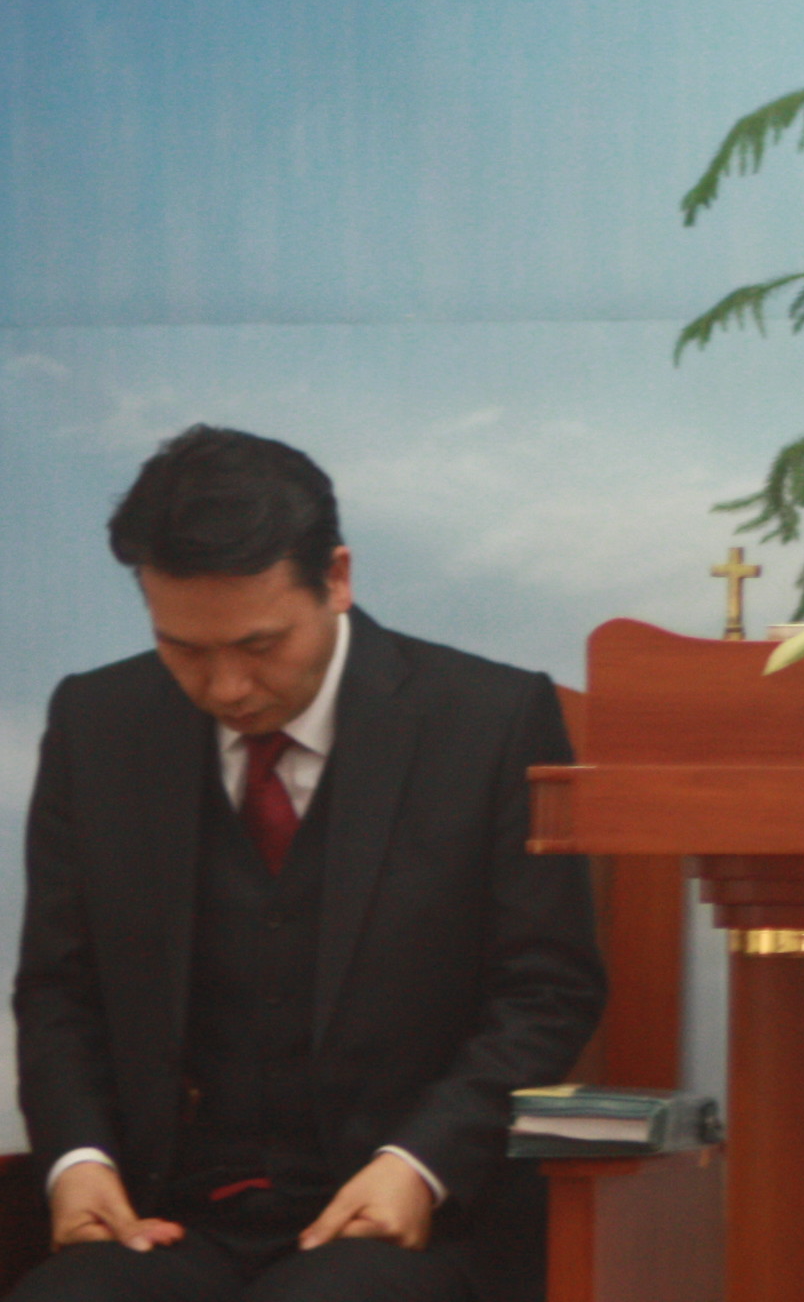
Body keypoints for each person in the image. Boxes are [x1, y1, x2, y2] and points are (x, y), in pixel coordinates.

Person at [12, 428, 604, 1302]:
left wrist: (422, 1165)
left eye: (259, 646)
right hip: (166, 1217)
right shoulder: (97, 723)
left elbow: (547, 989)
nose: (226, 688)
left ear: (337, 578)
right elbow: (59, 988)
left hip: (414, 1219)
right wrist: (78, 1160)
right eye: (184, 648)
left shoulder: (489, 721)